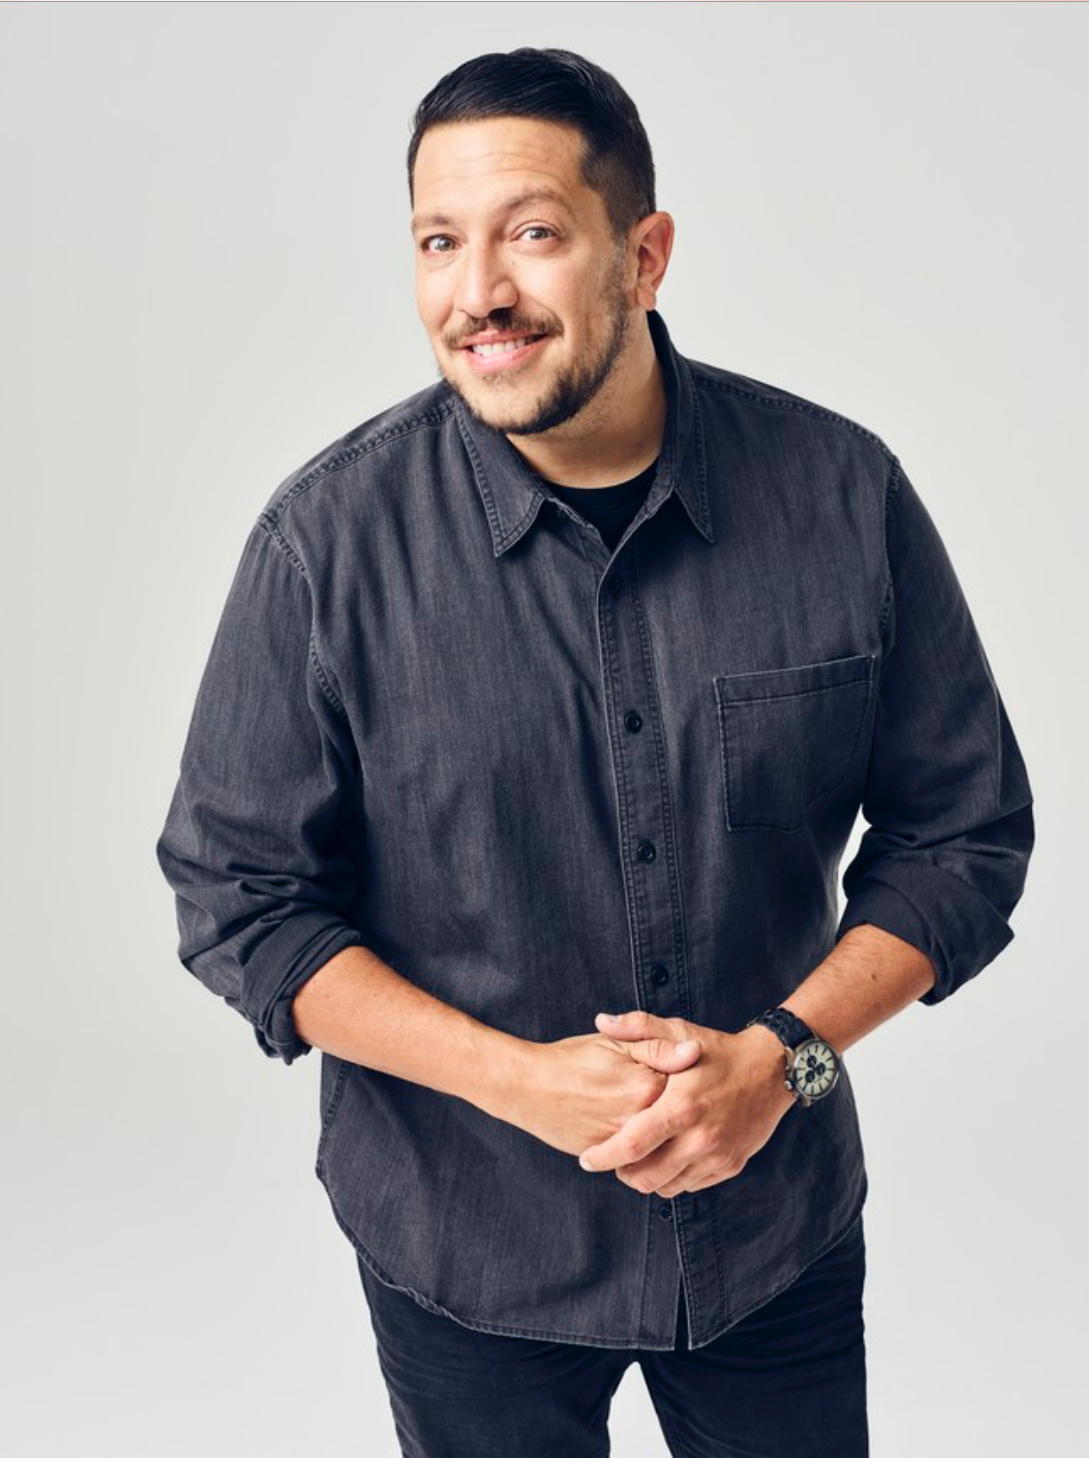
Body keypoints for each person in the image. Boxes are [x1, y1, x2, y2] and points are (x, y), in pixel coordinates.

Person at [154, 45, 1035, 1458]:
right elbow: (239, 898)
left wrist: (782, 1061)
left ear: (644, 252)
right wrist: (515, 1080)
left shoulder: (839, 493)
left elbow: (964, 836)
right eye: (439, 241)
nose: (476, 291)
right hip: (463, 1243)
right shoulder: (325, 545)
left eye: (533, 233)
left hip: (772, 1232)